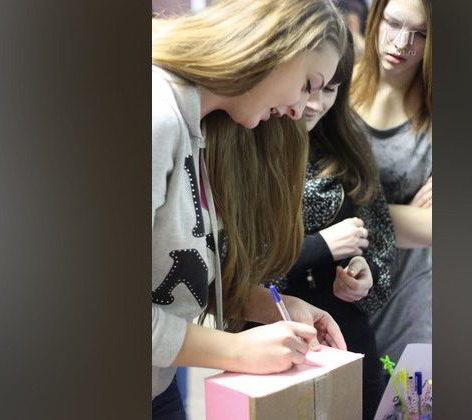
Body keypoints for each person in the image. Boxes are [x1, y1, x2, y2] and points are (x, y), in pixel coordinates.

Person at [152, 1, 348, 418]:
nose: (299, 109)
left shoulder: (201, 129)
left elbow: (165, 278)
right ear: (278, 47)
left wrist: (267, 305)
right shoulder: (157, 116)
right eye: (308, 84)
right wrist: (236, 350)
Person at [267, 34, 398, 420]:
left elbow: (379, 245)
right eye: (308, 86)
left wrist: (363, 277)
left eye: (330, 89)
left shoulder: (347, 146)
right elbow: (235, 269)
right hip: (272, 344)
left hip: (349, 342)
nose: (315, 103)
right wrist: (319, 246)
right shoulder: (246, 144)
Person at [351, 0, 433, 368]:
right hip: (333, 296)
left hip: (411, 303)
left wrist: (342, 211)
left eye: (421, 34)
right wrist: (402, 218)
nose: (402, 43)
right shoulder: (333, 86)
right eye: (394, 23)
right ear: (376, 16)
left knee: (410, 396)